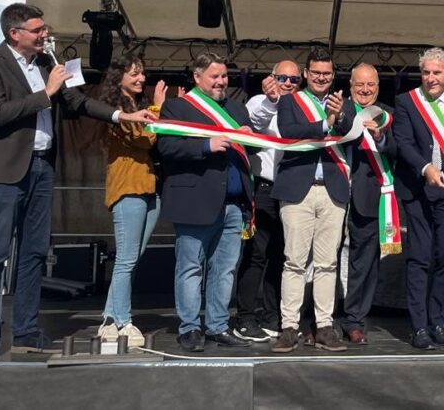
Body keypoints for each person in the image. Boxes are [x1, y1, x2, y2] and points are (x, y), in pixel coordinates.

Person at [0, 3, 154, 364]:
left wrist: (122, 115)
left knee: (34, 253)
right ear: (15, 33)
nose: (44, 35)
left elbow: (78, 102)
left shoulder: (46, 64)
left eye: (44, 29)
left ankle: (26, 332)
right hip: (5, 172)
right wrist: (47, 93)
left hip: (41, 168)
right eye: (37, 30)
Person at [156, 53, 254, 352]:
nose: (221, 82)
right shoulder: (177, 106)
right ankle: (189, 328)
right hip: (195, 200)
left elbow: (249, 152)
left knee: (224, 269)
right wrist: (205, 145)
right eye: (215, 76)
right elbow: (166, 147)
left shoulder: (237, 108)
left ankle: (217, 326)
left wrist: (251, 138)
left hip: (234, 203)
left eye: (224, 76)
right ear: (197, 77)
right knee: (190, 267)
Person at [270, 48, 355, 353]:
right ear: (306, 73)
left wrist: (340, 115)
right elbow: (289, 131)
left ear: (333, 75)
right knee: (293, 261)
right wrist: (324, 123)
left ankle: (324, 326)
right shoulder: (290, 101)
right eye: (316, 72)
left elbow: (352, 133)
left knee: (327, 263)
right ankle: (289, 327)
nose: (321, 78)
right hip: (297, 189)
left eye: (327, 73)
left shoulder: (343, 103)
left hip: (332, 189)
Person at [393, 48, 444, 349]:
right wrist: (425, 168)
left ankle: (437, 320)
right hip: (417, 190)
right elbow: (402, 142)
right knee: (420, 257)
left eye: (437, 73)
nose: (431, 78)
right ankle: (418, 327)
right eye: (426, 73)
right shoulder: (407, 102)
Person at [97, 55, 167, 349]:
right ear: (119, 78)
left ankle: (110, 319)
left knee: (132, 259)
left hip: (149, 187)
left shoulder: (138, 107)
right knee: (126, 260)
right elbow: (145, 139)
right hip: (128, 189)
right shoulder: (115, 112)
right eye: (134, 74)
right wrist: (159, 107)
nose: (141, 79)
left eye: (142, 73)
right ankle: (123, 321)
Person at [233, 60, 302, 342]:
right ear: (272, 78)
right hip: (263, 188)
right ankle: (246, 316)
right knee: (256, 255)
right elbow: (253, 126)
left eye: (293, 79)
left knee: (282, 256)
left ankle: (272, 314)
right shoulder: (259, 101)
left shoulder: (304, 106)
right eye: (282, 78)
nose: (287, 83)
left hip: (291, 190)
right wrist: (272, 101)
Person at [341, 63, 395, 345]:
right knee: (320, 262)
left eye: (371, 85)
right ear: (350, 86)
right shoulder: (338, 109)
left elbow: (398, 149)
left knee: (364, 263)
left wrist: (381, 138)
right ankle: (316, 320)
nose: (365, 90)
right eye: (360, 85)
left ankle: (354, 320)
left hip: (369, 197)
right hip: (331, 193)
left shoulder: (386, 115)